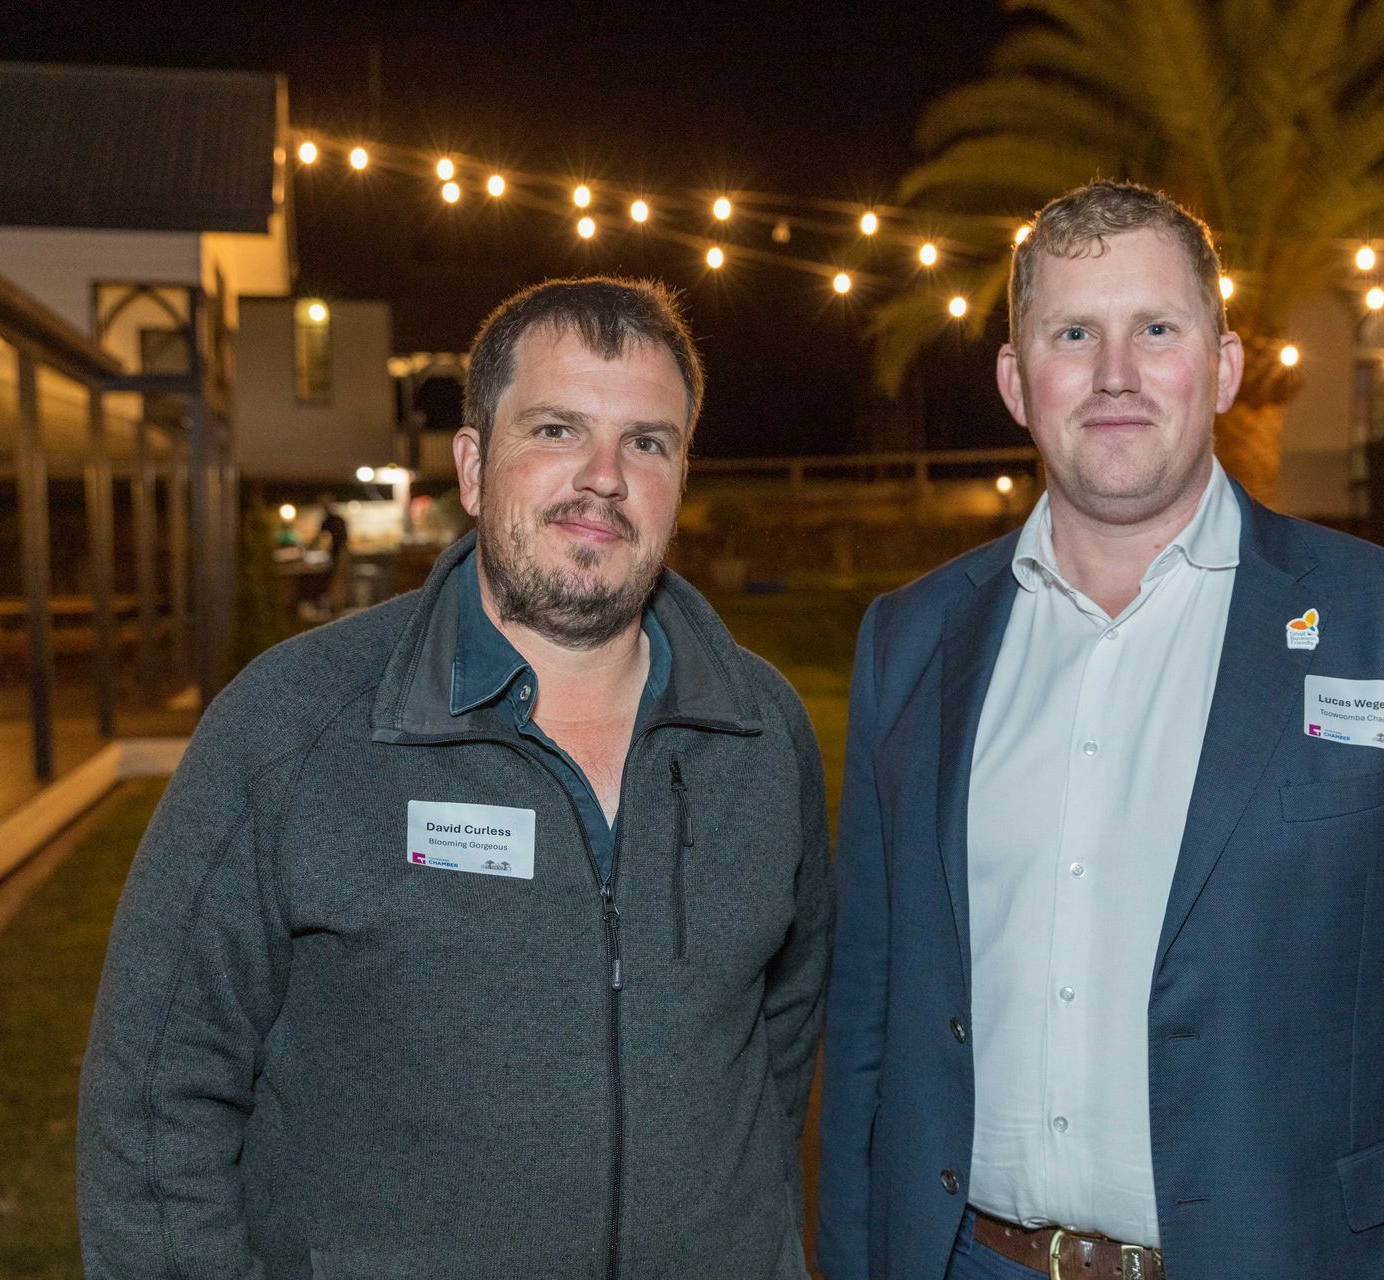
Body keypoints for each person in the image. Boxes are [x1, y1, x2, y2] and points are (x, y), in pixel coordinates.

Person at [817, 182, 1384, 1280]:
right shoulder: (912, 641)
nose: (1115, 373)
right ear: (1014, 382)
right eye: (1073, 332)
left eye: (1157, 329)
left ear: (1223, 367)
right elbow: (868, 1027)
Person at [79, 277, 832, 1279]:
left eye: (647, 441)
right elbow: (153, 1093)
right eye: (557, 429)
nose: (603, 477)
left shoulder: (762, 730)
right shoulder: (297, 726)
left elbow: (779, 1043)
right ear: (473, 467)